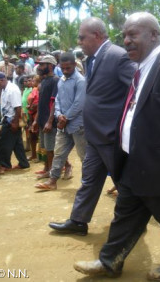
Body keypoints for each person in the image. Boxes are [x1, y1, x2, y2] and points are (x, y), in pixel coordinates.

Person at [73, 12, 160, 281]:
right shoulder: (138, 69)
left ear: (154, 35)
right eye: (124, 35)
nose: (126, 40)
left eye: (133, 34)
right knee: (125, 214)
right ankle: (110, 261)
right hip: (133, 161)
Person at [48, 17, 135, 235]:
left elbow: (138, 90)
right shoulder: (91, 59)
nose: (79, 41)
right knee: (89, 179)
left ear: (96, 35)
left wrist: (122, 123)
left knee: (123, 181)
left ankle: (135, 222)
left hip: (111, 134)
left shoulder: (117, 56)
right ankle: (78, 221)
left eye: (81, 37)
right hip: (95, 134)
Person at [35, 52, 86, 190]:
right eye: (62, 68)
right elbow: (57, 100)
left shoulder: (80, 81)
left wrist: (66, 117)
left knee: (84, 157)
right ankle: (52, 181)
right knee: (58, 153)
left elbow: (79, 103)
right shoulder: (62, 80)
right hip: (63, 125)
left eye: (68, 68)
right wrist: (59, 115)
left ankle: (87, 185)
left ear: (75, 65)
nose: (65, 71)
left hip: (78, 126)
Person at [0, 71, 30, 172]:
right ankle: (24, 163)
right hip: (8, 118)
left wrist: (15, 123)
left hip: (11, 120)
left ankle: (5, 165)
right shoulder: (4, 89)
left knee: (3, 143)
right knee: (17, 144)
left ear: (2, 80)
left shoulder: (12, 89)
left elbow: (18, 107)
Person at [32, 55, 59, 180]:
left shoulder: (55, 80)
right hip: (42, 119)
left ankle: (53, 171)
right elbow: (41, 102)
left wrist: (49, 121)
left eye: (43, 64)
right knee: (45, 147)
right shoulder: (43, 81)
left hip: (50, 120)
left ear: (50, 66)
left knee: (51, 148)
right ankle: (47, 168)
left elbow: (54, 102)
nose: (40, 67)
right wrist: (36, 120)